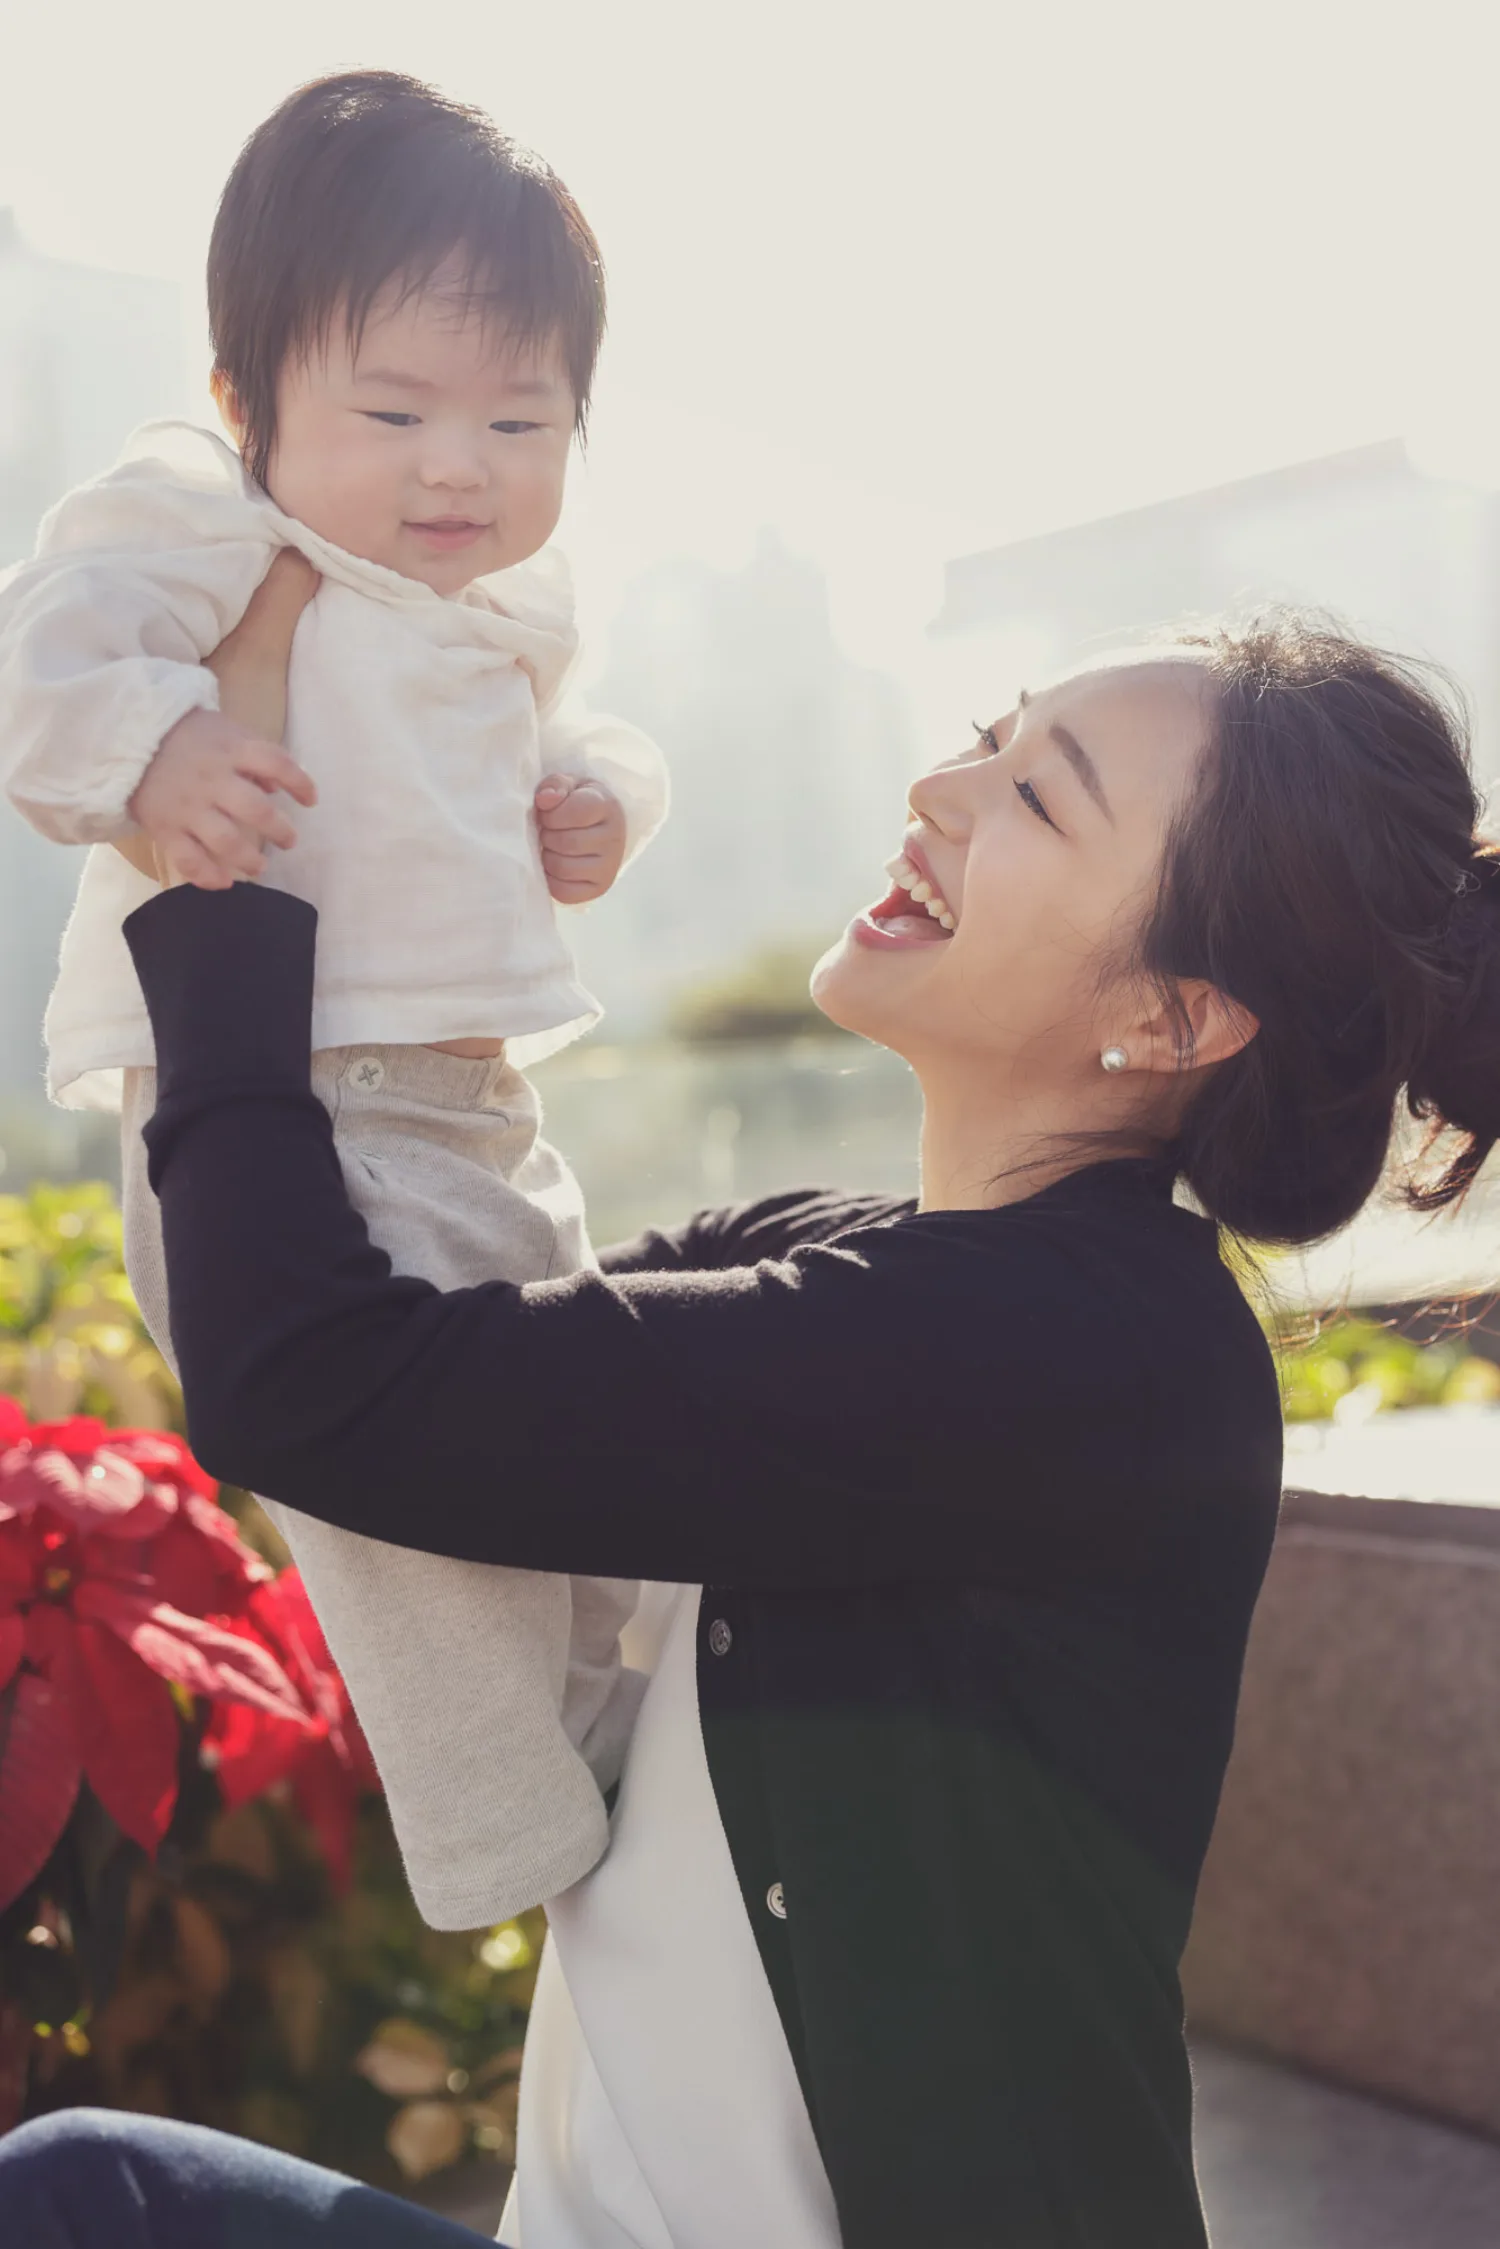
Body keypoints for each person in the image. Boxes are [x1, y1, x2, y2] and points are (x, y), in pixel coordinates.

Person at [3, 581, 1498, 2249]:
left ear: (1168, 1020)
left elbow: (321, 1387)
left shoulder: (1081, 1357)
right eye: (991, 739)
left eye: (1037, 795)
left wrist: (227, 876)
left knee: (76, 2200)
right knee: (81, 2190)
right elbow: (458, 1319)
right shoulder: (850, 1269)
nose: (942, 790)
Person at [0, 71, 671, 1928]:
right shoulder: (204, 514)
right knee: (403, 1511)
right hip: (266, 1103)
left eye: (521, 417)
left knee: (573, 1428)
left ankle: (610, 1734)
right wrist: (157, 751)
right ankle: (502, 1830)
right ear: (243, 402)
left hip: (474, 1109)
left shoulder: (514, 599)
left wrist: (603, 798)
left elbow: (582, 726)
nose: (459, 465)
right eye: (394, 410)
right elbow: (38, 663)